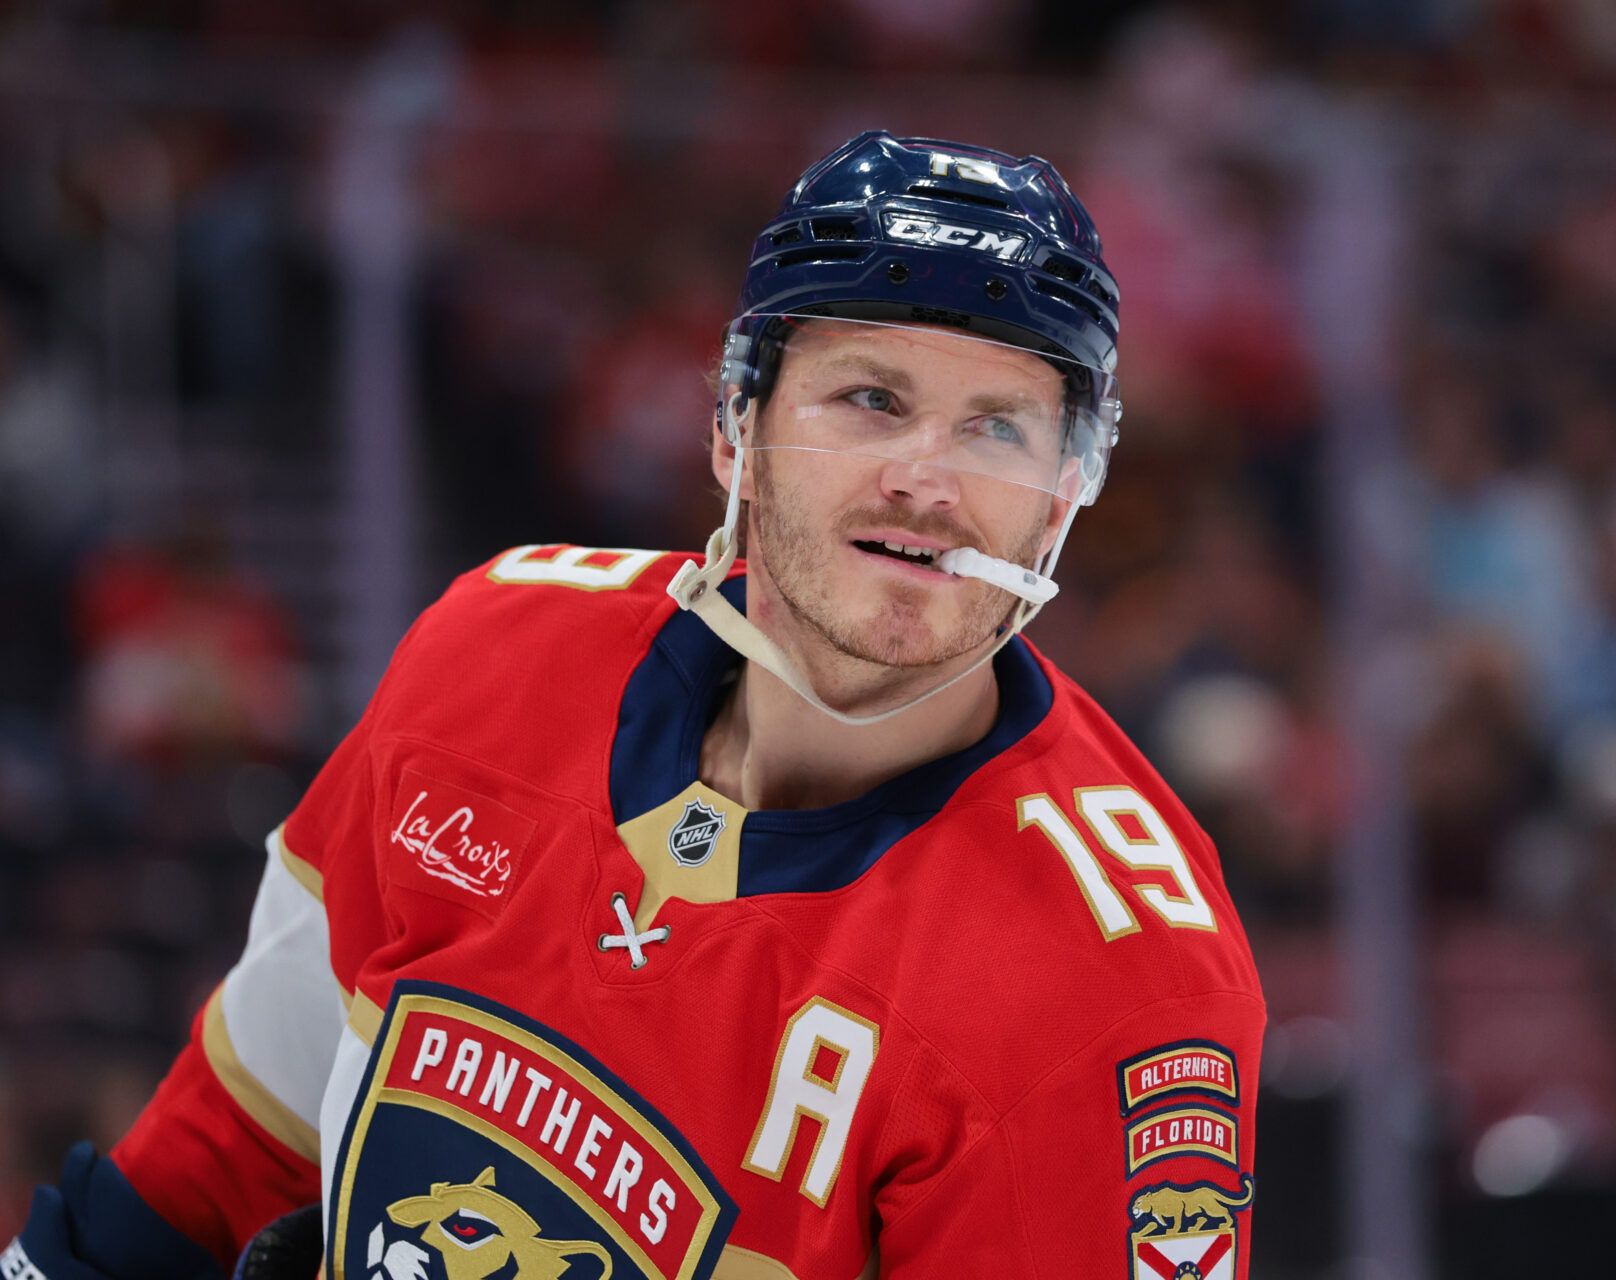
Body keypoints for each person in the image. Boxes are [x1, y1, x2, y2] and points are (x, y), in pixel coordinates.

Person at [6, 130, 1265, 1280]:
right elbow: (226, 1153)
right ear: (736, 426)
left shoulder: (1124, 986)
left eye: (997, 426)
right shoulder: (490, 654)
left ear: (1061, 496)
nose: (925, 480)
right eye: (869, 397)